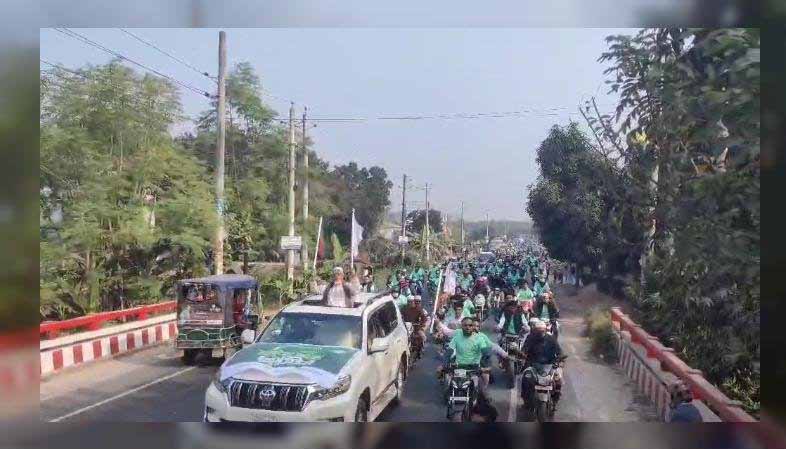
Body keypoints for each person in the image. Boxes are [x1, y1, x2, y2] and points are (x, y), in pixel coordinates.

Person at [520, 319, 564, 408]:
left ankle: (555, 401)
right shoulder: (530, 338)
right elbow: (524, 349)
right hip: (533, 365)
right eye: (538, 331)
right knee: (525, 378)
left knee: (558, 380)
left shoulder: (551, 339)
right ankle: (526, 401)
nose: (540, 333)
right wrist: (522, 354)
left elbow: (559, 351)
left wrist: (560, 360)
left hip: (550, 365)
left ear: (545, 330)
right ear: (534, 330)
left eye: (542, 331)